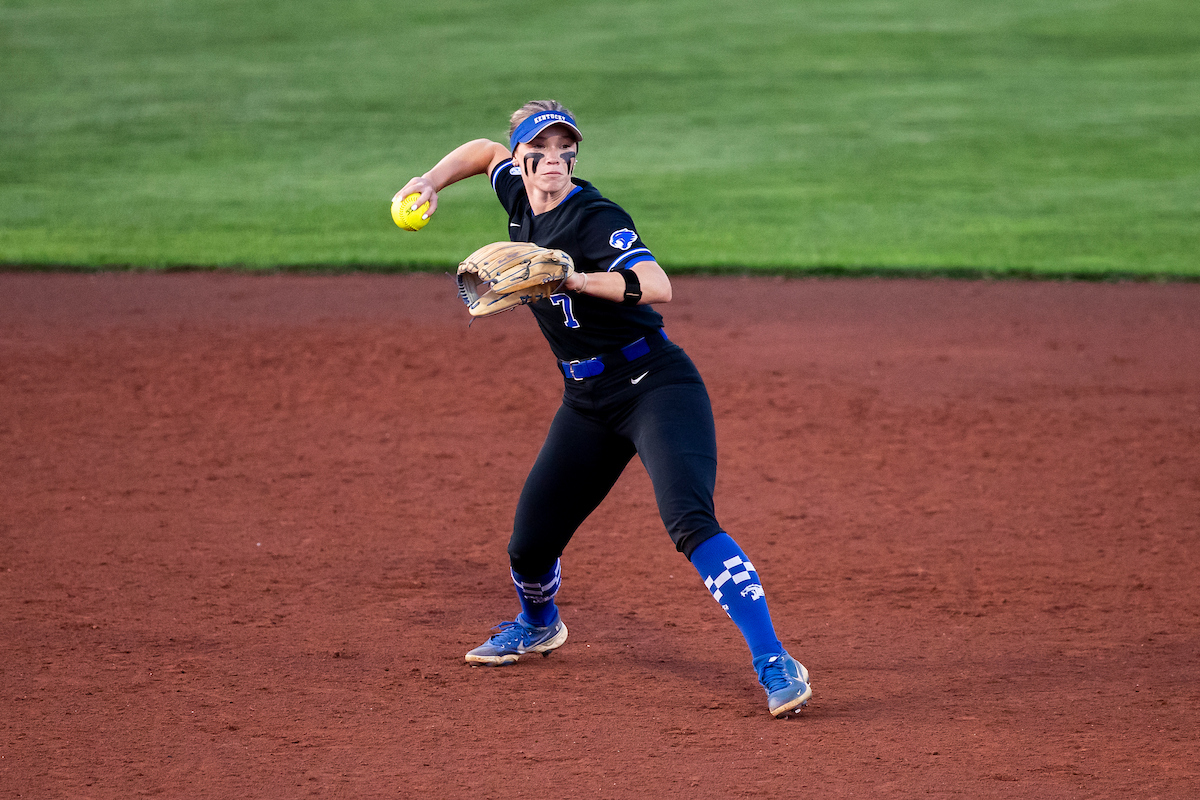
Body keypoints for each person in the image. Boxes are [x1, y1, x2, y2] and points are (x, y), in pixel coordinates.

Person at [394, 100, 811, 717]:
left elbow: (658, 283)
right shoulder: (515, 189)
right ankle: (540, 624)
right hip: (587, 401)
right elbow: (482, 151)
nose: (555, 162)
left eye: (567, 152)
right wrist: (429, 182)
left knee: (690, 522)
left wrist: (574, 279)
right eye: (543, 151)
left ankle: (775, 660)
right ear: (523, 160)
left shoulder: (595, 217)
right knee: (528, 545)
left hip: (655, 385)